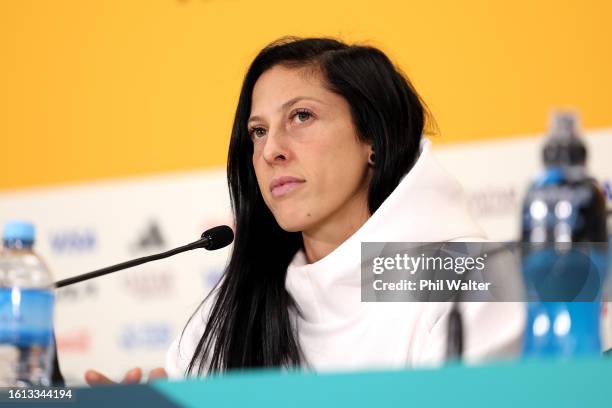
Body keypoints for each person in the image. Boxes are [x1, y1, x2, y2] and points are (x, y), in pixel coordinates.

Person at [85, 37, 524, 384]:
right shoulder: (228, 310)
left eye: (301, 117)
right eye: (258, 131)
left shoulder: (474, 278)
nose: (270, 149)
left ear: (373, 138)